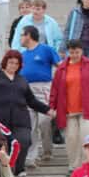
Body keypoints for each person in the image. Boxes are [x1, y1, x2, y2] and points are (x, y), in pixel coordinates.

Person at [0, 49, 54, 177]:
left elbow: (31, 100)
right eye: (11, 62)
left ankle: (18, 168)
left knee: (24, 141)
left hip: (20, 119)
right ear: (5, 62)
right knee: (1, 145)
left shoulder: (22, 80)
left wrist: (47, 110)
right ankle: (2, 169)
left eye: (16, 63)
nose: (13, 66)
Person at [49, 39, 89, 173]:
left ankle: (87, 165)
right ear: (68, 52)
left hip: (87, 109)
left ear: (82, 51)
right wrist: (52, 106)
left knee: (87, 135)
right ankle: (74, 166)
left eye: (77, 52)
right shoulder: (61, 69)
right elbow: (55, 89)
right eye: (72, 52)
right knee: (71, 138)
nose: (74, 55)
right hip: (68, 110)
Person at [18, 25, 60, 168]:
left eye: (22, 35)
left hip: (43, 88)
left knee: (44, 122)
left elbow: (60, 66)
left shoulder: (46, 49)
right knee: (30, 125)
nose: (20, 38)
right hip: (26, 90)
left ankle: (48, 150)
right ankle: (31, 157)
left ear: (29, 35)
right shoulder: (22, 55)